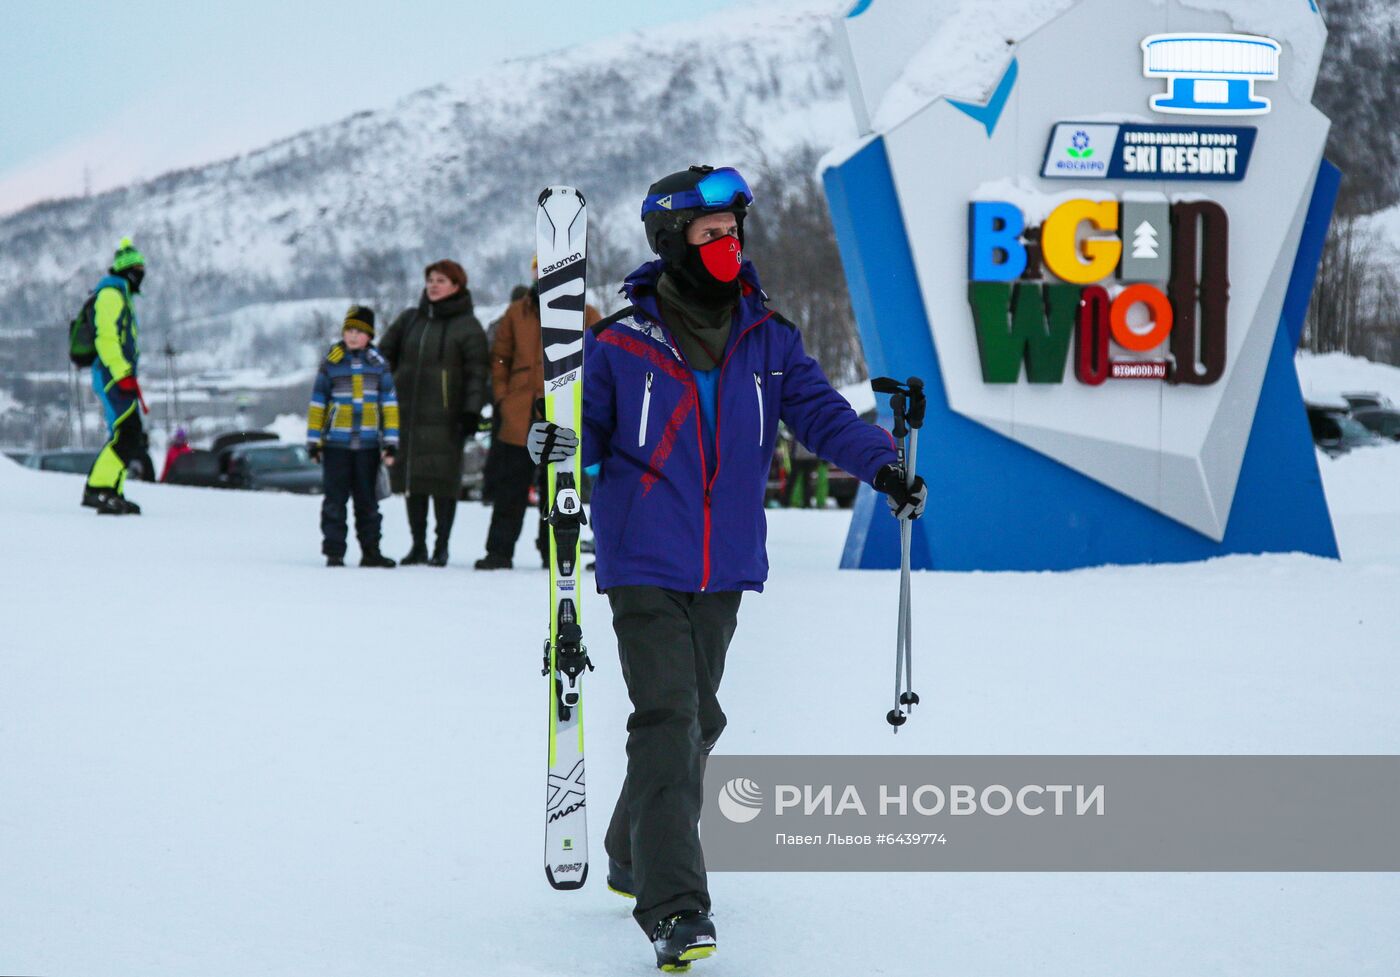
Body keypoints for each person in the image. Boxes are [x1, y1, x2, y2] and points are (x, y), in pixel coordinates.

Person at [526, 165, 927, 971]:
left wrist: (882, 464)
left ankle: (630, 849)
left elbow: (819, 414)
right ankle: (676, 908)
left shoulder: (768, 337)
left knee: (697, 722)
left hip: (728, 563)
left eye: (734, 233)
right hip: (642, 558)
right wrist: (554, 442)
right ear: (673, 241)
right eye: (711, 235)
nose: (728, 246)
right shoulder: (619, 344)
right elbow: (584, 431)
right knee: (669, 720)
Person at [476, 260, 601, 570]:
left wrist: (585, 400)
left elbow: (599, 356)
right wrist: (504, 397)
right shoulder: (517, 312)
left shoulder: (585, 312)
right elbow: (500, 359)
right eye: (539, 269)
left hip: (563, 410)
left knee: (559, 487)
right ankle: (499, 551)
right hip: (519, 413)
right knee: (510, 488)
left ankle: (554, 552)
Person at [380, 260, 489, 567]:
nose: (433, 285)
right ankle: (417, 545)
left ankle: (441, 546)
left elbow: (477, 374)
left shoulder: (468, 327)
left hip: (447, 418)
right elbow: (382, 354)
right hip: (408, 416)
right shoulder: (410, 319)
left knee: (442, 484)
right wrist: (391, 385)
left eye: (441, 280)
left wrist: (471, 412)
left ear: (457, 286)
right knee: (413, 482)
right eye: (430, 279)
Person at [306, 306, 400, 568]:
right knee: (335, 501)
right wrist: (314, 441)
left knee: (368, 501)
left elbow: (389, 406)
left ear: (369, 335)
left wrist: (391, 443)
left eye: (359, 331)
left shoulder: (378, 365)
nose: (352, 335)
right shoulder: (332, 364)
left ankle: (371, 551)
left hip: (368, 446)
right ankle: (334, 551)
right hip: (337, 444)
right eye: (349, 330)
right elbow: (317, 404)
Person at [82, 237, 149, 515]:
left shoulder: (121, 294)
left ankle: (112, 490)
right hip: (112, 376)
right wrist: (122, 373)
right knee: (128, 434)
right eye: (137, 271)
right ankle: (98, 489)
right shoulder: (110, 294)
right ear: (126, 271)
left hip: (119, 376)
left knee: (126, 435)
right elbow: (106, 337)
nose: (141, 276)